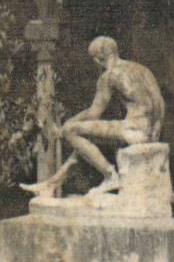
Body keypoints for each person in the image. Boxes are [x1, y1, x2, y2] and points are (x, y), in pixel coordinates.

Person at [23, 36, 165, 197]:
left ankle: (110, 175)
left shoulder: (108, 76)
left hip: (133, 130)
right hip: (149, 131)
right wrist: (155, 132)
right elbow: (159, 102)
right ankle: (51, 184)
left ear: (98, 58)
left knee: (71, 131)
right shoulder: (141, 69)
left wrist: (67, 125)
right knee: (84, 145)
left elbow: (94, 113)